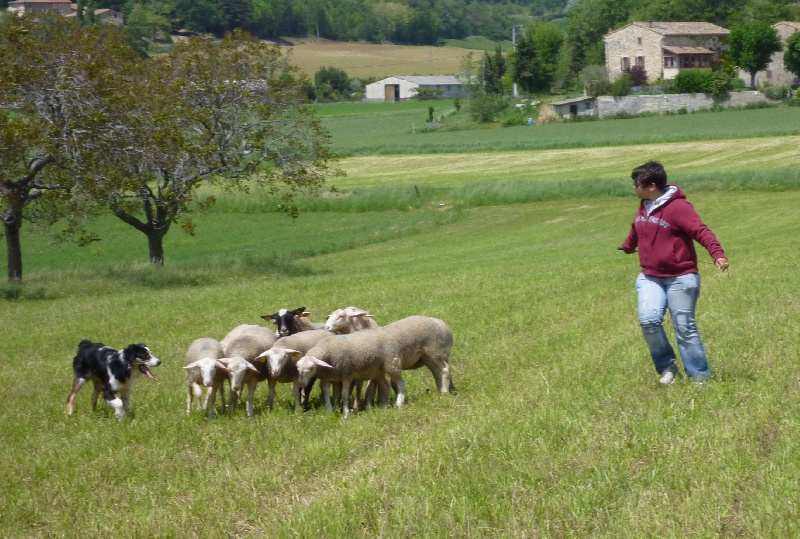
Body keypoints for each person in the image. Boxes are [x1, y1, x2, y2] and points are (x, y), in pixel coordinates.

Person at [619, 161, 729, 385]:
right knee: (649, 321)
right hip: (650, 276)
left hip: (681, 277)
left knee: (684, 327)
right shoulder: (645, 204)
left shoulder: (679, 208)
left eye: (636, 183)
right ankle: (667, 367)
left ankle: (699, 377)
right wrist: (629, 246)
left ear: (651, 185)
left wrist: (717, 254)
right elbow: (638, 227)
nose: (634, 187)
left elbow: (700, 230)